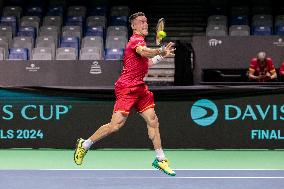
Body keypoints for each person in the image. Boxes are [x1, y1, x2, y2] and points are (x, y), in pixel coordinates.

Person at [74, 12, 176, 176]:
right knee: (115, 126)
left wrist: (161, 56)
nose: (145, 24)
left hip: (140, 88)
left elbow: (146, 62)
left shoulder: (142, 42)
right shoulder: (135, 41)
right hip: (126, 88)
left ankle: (160, 159)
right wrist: (160, 50)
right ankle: (85, 145)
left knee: (153, 120)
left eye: (146, 21)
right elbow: (144, 52)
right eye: (141, 22)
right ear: (133, 26)